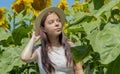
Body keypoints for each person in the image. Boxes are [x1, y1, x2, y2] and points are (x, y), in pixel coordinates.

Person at [21, 7, 83, 74]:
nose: (57, 24)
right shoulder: (40, 50)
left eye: (58, 20)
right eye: (51, 22)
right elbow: (25, 58)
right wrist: (33, 39)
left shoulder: (71, 46)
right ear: (44, 28)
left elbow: (78, 70)